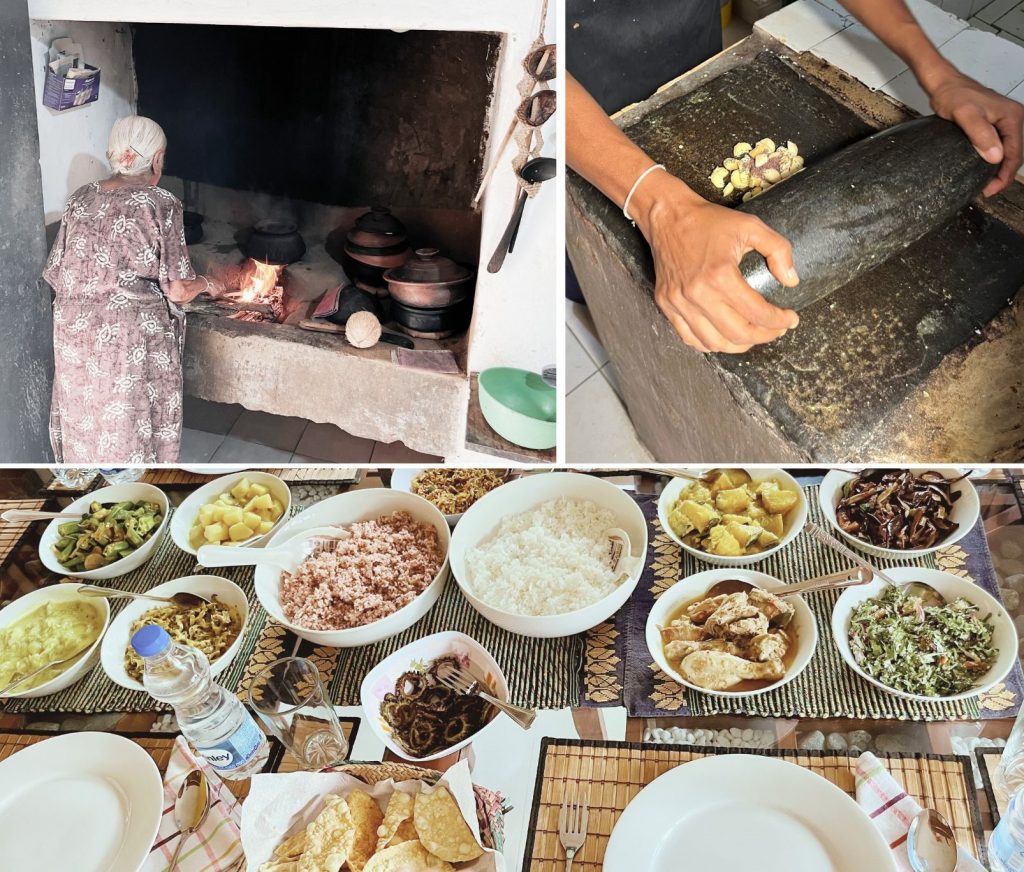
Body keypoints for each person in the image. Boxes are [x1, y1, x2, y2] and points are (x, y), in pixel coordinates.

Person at [567, 0, 1024, 354]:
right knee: (606, 277)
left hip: (683, 45)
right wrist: (658, 205)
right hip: (566, 97)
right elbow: (515, 63)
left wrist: (939, 72)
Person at [43, 115, 230, 462]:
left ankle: (92, 487)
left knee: (88, 415)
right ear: (157, 159)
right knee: (129, 424)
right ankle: (140, 487)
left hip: (72, 333)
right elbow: (177, 289)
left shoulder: (79, 198)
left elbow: (56, 274)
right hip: (127, 338)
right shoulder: (160, 202)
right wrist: (208, 282)